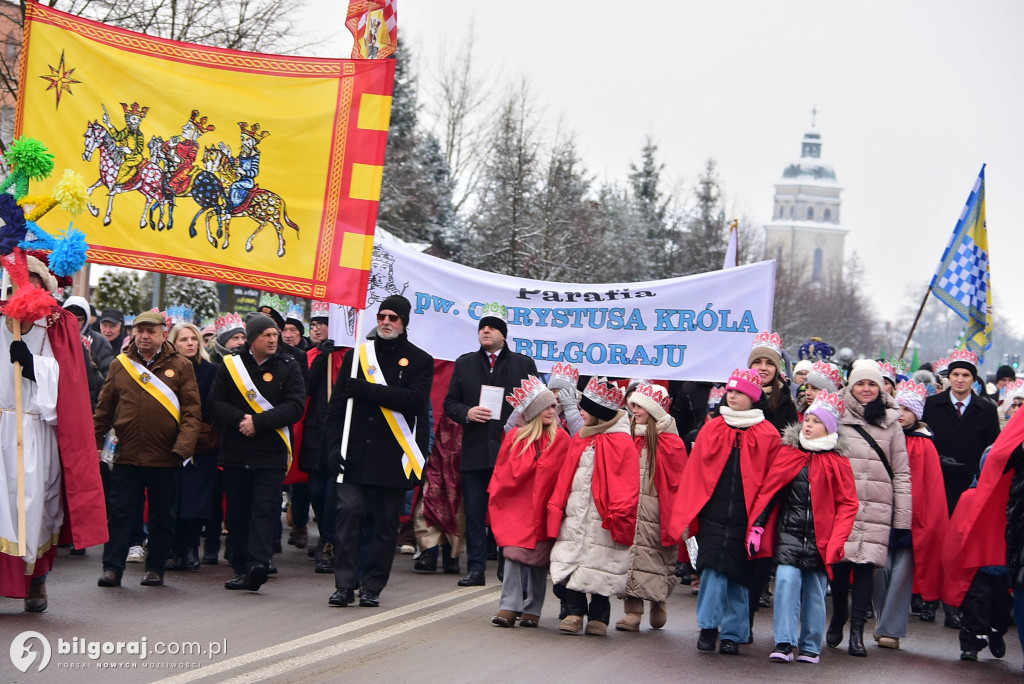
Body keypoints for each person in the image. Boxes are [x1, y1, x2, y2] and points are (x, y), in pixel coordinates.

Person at [0, 254, 107, 611]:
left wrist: (34, 367)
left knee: (38, 506)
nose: (24, 288)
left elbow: (73, 380)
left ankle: (37, 583)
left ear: (45, 287)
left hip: (37, 428)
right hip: (2, 424)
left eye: (32, 281)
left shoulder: (58, 325)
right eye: (18, 281)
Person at [323, 295, 433, 607]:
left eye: (393, 317)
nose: (386, 321)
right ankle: (344, 584)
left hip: (394, 457)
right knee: (348, 514)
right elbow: (336, 409)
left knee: (386, 526)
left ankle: (372, 586)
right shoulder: (359, 355)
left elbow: (414, 402)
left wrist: (368, 390)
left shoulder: (420, 360)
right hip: (354, 452)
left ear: (404, 322)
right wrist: (332, 448)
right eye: (382, 316)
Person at [669, 368, 780, 655]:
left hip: (747, 519)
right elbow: (694, 475)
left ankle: (733, 634)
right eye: (730, 391)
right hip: (713, 517)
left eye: (739, 392)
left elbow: (772, 482)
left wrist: (761, 522)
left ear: (753, 397)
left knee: (738, 577)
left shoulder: (767, 434)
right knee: (713, 573)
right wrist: (689, 514)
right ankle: (708, 627)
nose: (732, 396)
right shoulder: (713, 428)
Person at [747, 390, 859, 664]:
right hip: (789, 534)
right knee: (785, 580)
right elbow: (769, 493)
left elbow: (848, 504)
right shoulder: (790, 454)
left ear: (828, 427)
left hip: (821, 538)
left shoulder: (838, 461)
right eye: (807, 419)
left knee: (815, 592)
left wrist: (837, 540)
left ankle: (810, 645)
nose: (807, 424)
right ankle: (784, 642)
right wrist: (757, 527)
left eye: (816, 421)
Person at [94, 310, 203, 588]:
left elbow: (192, 411)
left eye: (151, 331)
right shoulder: (121, 364)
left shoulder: (181, 365)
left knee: (162, 516)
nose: (144, 336)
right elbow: (104, 408)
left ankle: (155, 567)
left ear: (163, 335)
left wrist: (183, 448)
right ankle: (113, 569)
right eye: (140, 331)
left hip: (166, 455)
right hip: (126, 454)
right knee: (119, 514)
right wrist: (95, 444)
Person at [208, 313, 305, 592]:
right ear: (252, 339)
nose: (274, 339)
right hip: (236, 450)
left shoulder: (289, 366)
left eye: (275, 335)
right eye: (267, 335)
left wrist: (259, 423)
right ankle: (240, 567)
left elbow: (295, 405)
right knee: (238, 511)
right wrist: (242, 420)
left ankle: (258, 563)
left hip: (271, 451)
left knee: (264, 509)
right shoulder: (231, 365)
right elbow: (215, 404)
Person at [444, 302, 537, 587]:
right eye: (483, 326)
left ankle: (506, 563)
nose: (486, 330)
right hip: (474, 449)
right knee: (474, 511)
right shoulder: (465, 363)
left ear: (504, 334)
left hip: (511, 451)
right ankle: (475, 568)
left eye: (493, 326)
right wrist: (467, 412)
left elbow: (537, 402)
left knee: (506, 511)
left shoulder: (523, 363)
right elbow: (450, 403)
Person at [828, 359, 911, 657]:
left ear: (881, 388)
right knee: (839, 567)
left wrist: (902, 520)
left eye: (872, 384)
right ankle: (839, 615)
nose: (866, 389)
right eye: (861, 383)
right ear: (851, 386)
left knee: (865, 570)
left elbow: (902, 472)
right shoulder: (835, 416)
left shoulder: (892, 422)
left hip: (877, 506)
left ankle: (857, 633)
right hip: (843, 506)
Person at [548, 377, 638, 636]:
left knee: (601, 565)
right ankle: (575, 613)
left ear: (599, 414)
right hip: (576, 512)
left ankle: (599, 617)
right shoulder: (581, 438)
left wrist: (618, 511)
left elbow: (628, 482)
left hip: (604, 516)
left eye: (586, 409)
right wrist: (560, 505)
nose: (581, 413)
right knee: (572, 561)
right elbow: (566, 475)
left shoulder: (620, 442)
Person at [488, 376, 570, 628]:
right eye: (546, 406)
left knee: (538, 559)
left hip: (547, 506)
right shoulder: (515, 438)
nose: (551, 410)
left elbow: (565, 474)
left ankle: (533, 608)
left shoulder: (562, 439)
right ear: (534, 409)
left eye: (553, 407)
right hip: (517, 506)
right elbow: (504, 472)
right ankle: (509, 606)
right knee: (513, 554)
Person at [616, 382, 688, 632]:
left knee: (657, 557)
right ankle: (633, 611)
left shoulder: (671, 442)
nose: (634, 410)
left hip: (658, 510)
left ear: (653, 409)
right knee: (632, 557)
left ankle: (658, 600)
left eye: (640, 406)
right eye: (632, 405)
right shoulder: (629, 435)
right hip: (632, 506)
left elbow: (679, 481)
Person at [892, 381, 949, 624]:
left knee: (913, 557)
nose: (902, 414)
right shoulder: (888, 436)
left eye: (907, 409)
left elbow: (929, 484)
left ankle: (922, 598)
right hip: (889, 506)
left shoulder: (923, 443)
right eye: (899, 408)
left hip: (916, 508)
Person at [166, 322, 220, 572]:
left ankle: (189, 549)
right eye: (184, 339)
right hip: (169, 442)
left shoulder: (211, 371)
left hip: (201, 444)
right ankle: (174, 548)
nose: (190, 343)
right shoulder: (165, 370)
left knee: (195, 500)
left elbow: (214, 405)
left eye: (194, 339)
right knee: (172, 498)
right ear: (173, 343)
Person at [922, 349, 1000, 516]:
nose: (960, 379)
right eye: (955, 374)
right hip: (938, 479)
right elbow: (925, 440)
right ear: (949, 377)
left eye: (965, 375)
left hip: (971, 483)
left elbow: (992, 449)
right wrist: (938, 460)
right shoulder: (932, 405)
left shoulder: (987, 410)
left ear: (973, 379)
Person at [748, 331, 798, 432]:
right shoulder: (734, 395)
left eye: (770, 363)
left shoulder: (786, 404)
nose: (763, 368)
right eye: (757, 362)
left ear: (776, 369)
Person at [62, 295, 114, 378]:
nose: (74, 323)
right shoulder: (55, 339)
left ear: (86, 320)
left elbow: (108, 378)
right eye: (69, 318)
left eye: (79, 320)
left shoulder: (99, 342)